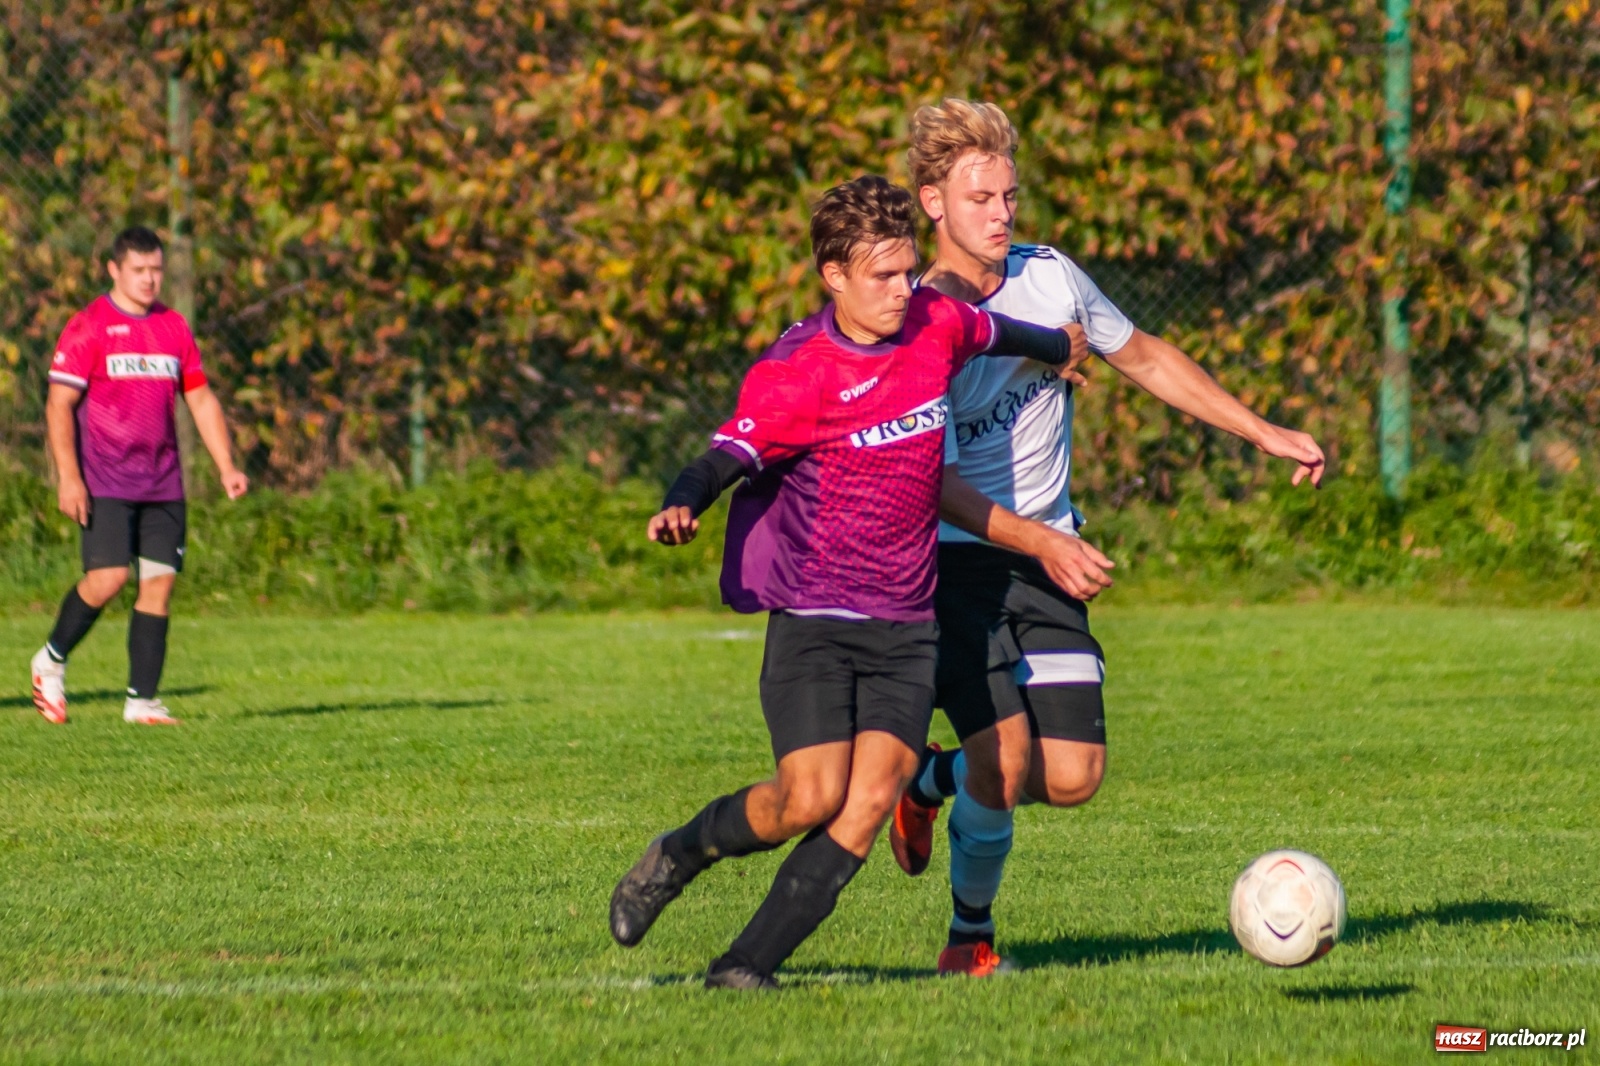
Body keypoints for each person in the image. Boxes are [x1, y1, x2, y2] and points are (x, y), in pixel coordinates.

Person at [608, 175, 1084, 990]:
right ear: (833, 276)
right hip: (818, 622)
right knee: (806, 798)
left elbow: (991, 329)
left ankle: (744, 967)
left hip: (907, 625)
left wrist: (1057, 347)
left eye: (907, 271)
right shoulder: (800, 372)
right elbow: (724, 454)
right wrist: (682, 503)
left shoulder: (932, 323)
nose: (905, 291)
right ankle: (680, 852)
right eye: (883, 277)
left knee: (868, 804)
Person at [888, 99, 1327, 976]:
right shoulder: (915, 321)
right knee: (1005, 764)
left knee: (1075, 777)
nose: (1002, 214)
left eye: (1009, 195)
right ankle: (968, 940)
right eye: (981, 199)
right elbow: (925, 483)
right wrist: (1041, 541)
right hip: (950, 566)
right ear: (933, 202)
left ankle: (924, 782)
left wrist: (1261, 430)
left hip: (1048, 560)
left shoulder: (1051, 275)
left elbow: (1149, 356)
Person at [29, 225, 249, 726]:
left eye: (156, 270)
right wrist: (69, 477)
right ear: (114, 270)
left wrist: (226, 466)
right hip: (104, 479)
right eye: (139, 270)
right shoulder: (89, 326)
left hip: (163, 481)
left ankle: (142, 702)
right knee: (108, 579)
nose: (150, 280)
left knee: (159, 584)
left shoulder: (173, 327)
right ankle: (51, 660)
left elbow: (199, 396)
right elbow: (59, 405)